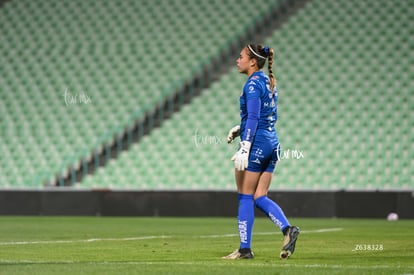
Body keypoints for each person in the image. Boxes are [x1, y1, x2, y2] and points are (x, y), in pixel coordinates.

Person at [223, 44, 299, 260]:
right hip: (272, 144)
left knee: (245, 196)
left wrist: (245, 146)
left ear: (252, 61)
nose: (237, 60)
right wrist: (240, 128)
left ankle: (245, 249)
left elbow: (255, 117)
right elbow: (265, 115)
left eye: (241, 57)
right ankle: (287, 230)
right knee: (259, 196)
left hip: (256, 144)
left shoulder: (252, 85)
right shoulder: (268, 80)